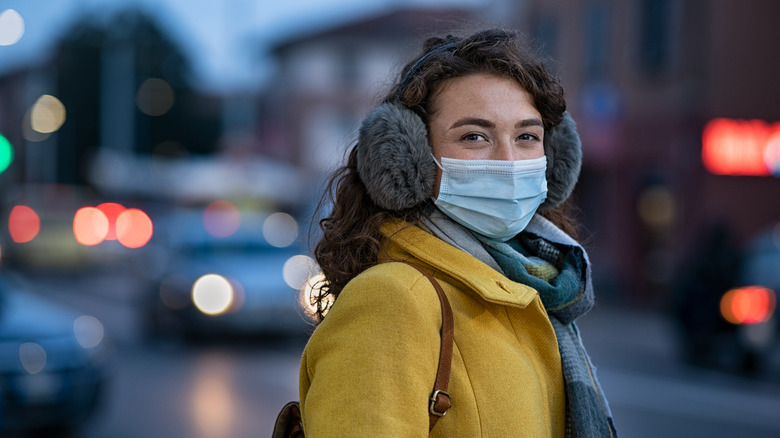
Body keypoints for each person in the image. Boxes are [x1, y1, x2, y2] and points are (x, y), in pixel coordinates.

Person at [299, 28, 616, 437]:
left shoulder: (535, 293)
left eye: (526, 137)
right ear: (410, 159)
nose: (508, 160)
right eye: (474, 136)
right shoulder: (392, 299)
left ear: (553, 160)